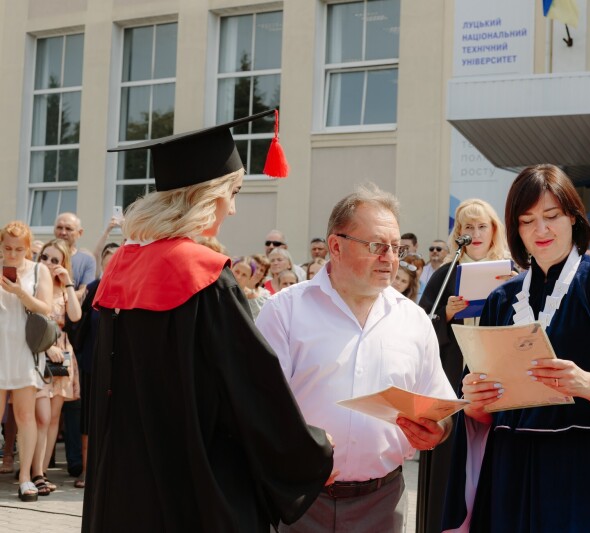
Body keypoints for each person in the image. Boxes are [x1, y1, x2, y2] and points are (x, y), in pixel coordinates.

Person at [83, 110, 334, 531]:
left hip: (124, 483)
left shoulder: (121, 267)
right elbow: (249, 388)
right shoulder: (204, 275)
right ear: (204, 196)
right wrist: (313, 448)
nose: (232, 209)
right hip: (194, 485)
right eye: (232, 192)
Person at [442, 164, 590, 532]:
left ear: (573, 217)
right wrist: (473, 401)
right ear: (516, 229)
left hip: (587, 473)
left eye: (551, 216)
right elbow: (483, 417)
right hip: (510, 472)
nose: (540, 230)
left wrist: (584, 383)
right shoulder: (501, 299)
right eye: (527, 220)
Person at [255, 184, 456, 533]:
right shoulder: (283, 312)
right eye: (377, 246)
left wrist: (437, 430)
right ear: (336, 246)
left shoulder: (413, 319)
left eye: (396, 248)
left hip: (383, 503)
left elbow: (440, 405)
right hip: (298, 501)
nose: (390, 258)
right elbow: (257, 408)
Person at [416, 198, 512, 533]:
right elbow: (421, 327)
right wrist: (447, 314)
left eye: (482, 226)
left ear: (494, 230)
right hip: (453, 381)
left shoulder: (510, 272)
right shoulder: (446, 274)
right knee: (449, 469)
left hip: (497, 383)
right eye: (468, 227)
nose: (476, 233)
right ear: (459, 232)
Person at [1, 221, 53, 502]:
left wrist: (20, 292)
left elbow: (45, 308)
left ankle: (25, 478)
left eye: (18, 249)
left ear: (28, 248)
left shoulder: (38, 270)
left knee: (25, 415)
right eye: (7, 248)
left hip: (25, 349)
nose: (12, 254)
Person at [34, 238, 82, 496]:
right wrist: (44, 346)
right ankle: (33, 471)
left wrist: (69, 283)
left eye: (55, 260)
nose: (49, 263)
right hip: (38, 351)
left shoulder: (64, 289)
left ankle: (42, 472)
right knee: (39, 418)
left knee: (53, 418)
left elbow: (75, 316)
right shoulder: (32, 284)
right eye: (45, 257)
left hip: (62, 354)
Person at [70, 242, 119, 490]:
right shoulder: (93, 288)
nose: (112, 268)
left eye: (116, 263)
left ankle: (116, 474)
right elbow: (79, 323)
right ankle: (88, 471)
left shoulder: (131, 288)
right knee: (89, 421)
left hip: (121, 367)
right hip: (92, 364)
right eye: (107, 263)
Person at [53, 213, 96, 300]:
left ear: (80, 233)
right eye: (59, 227)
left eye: (68, 229)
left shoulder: (87, 261)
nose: (63, 232)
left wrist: (58, 299)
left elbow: (84, 291)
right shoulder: (43, 256)